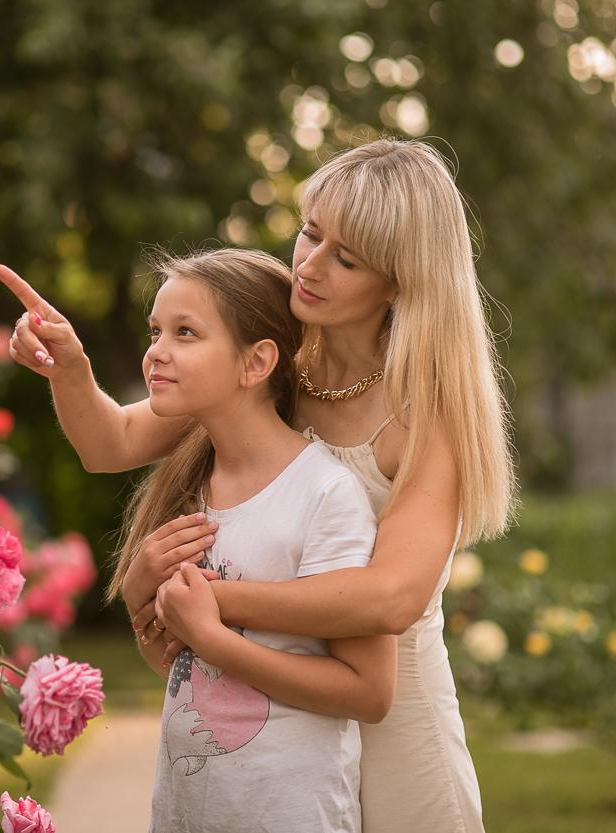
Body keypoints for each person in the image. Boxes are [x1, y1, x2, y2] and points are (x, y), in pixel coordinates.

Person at [0, 137, 516, 833]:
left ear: (399, 280)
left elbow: (392, 596)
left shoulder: (426, 411)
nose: (309, 263)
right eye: (310, 232)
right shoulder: (275, 366)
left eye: (346, 256)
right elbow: (112, 441)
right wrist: (70, 368)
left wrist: (201, 603)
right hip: (282, 722)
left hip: (397, 726)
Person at [112, 247, 394, 832]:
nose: (156, 352)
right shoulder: (193, 488)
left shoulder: (325, 494)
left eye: (185, 333)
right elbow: (178, 670)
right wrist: (144, 599)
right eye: (156, 331)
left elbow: (368, 693)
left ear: (256, 362)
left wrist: (214, 639)